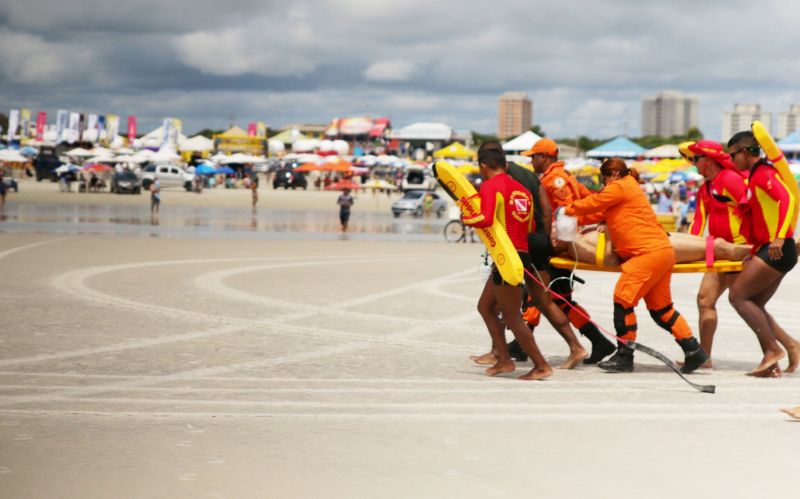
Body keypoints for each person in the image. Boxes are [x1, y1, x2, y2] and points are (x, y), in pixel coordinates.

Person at [563, 158, 708, 373]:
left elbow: (593, 203)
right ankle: (693, 350)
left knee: (623, 299)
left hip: (646, 254)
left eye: (604, 179)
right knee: (661, 309)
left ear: (613, 174)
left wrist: (566, 210)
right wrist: (572, 219)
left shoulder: (620, 186)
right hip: (661, 252)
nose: (603, 184)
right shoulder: (625, 191)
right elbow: (595, 213)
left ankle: (624, 356)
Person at [470, 142, 589, 369]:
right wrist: (544, 241)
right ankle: (573, 347)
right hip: (535, 243)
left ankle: (517, 359)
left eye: (534, 156)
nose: (532, 160)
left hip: (519, 247)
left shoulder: (540, 179)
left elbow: (495, 217)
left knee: (507, 307)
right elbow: (544, 211)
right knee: (539, 301)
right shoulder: (531, 179)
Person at [461, 142, 552, 380]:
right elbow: (530, 226)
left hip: (506, 257)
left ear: (483, 166)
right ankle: (503, 360)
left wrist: (467, 218)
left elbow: (485, 218)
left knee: (512, 316)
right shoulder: (522, 190)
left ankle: (541, 366)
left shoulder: (491, 185)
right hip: (520, 253)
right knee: (485, 307)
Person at [524, 138, 615, 363]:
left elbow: (566, 211)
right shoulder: (566, 176)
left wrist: (556, 241)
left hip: (558, 245)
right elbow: (590, 199)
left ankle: (522, 343)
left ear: (544, 157)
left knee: (546, 295)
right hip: (561, 244)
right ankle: (598, 342)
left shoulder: (556, 180)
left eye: (533, 157)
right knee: (556, 298)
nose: (531, 161)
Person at [726, 131, 800, 377]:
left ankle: (772, 350)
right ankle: (786, 350)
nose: (731, 160)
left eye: (733, 155)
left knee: (738, 296)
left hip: (778, 248)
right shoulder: (755, 175)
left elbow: (787, 199)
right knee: (754, 303)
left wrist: (780, 235)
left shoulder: (764, 173)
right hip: (772, 248)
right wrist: (755, 250)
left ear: (745, 152)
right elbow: (762, 218)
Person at [681, 140, 749, 369]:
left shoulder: (730, 179)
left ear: (708, 160)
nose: (693, 163)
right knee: (705, 300)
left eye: (696, 159)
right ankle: (705, 357)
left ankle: (787, 346)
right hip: (719, 253)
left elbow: (752, 209)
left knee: (749, 306)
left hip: (740, 252)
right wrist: (685, 248)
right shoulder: (705, 187)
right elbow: (698, 222)